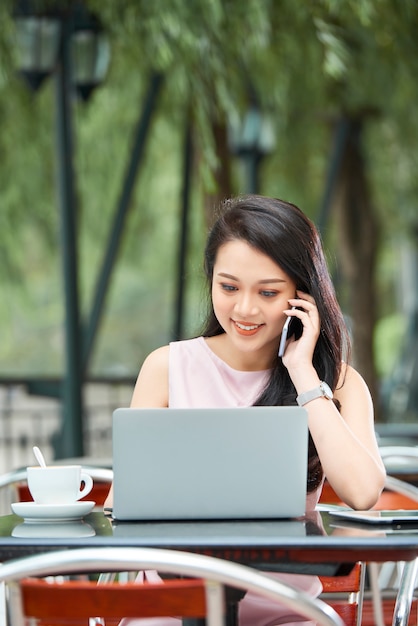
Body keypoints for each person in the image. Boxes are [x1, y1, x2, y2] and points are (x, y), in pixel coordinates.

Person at [106, 194, 386, 626]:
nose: (245, 309)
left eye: (268, 292)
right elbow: (120, 505)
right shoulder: (166, 368)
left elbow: (364, 494)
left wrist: (303, 375)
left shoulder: (340, 384)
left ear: (302, 294)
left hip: (288, 613)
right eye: (229, 287)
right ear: (211, 280)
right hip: (171, 611)